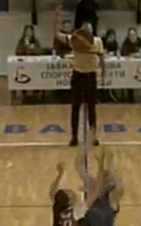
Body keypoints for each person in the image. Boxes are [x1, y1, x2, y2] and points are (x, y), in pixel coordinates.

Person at [53, 4, 105, 147]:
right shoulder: (75, 39)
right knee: (75, 107)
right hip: (78, 76)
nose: (87, 30)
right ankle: (74, 137)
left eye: (90, 28)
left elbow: (101, 58)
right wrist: (55, 18)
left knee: (92, 108)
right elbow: (57, 34)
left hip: (91, 76)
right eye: (85, 28)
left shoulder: (98, 42)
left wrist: (103, 73)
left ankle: (93, 137)